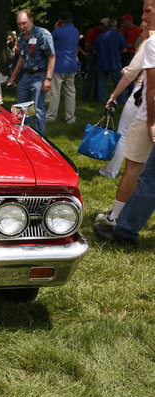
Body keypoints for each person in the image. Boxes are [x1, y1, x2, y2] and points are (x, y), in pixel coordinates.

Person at [94, 0, 155, 247]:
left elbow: (148, 85)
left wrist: (151, 122)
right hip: (144, 111)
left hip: (145, 114)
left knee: (140, 173)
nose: (143, 18)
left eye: (148, 11)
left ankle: (120, 221)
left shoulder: (151, 43)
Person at [99, 24, 153, 179]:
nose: (140, 32)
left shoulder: (148, 45)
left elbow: (129, 76)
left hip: (140, 93)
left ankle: (109, 171)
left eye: (143, 29)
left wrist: (113, 95)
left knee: (123, 134)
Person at [6, 9, 55, 135]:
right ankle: (23, 135)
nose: (21, 26)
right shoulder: (21, 37)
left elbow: (52, 57)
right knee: (22, 108)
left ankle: (39, 139)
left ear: (31, 21)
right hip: (26, 75)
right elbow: (22, 58)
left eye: (24, 23)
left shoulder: (43, 34)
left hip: (40, 76)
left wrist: (48, 79)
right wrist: (13, 77)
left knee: (37, 109)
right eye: (19, 24)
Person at [46, 11, 79, 124]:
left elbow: (49, 42)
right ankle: (70, 117)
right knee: (70, 92)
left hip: (58, 65)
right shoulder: (76, 31)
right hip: (71, 65)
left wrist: (55, 28)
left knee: (54, 92)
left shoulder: (57, 31)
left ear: (61, 20)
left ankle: (51, 116)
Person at [94, 18, 128, 105]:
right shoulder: (119, 36)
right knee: (119, 83)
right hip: (114, 62)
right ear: (115, 26)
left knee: (101, 84)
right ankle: (122, 101)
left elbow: (95, 50)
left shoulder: (100, 36)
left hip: (101, 63)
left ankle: (102, 101)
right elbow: (124, 49)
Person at [81, 20, 107, 101]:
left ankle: (96, 97)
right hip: (92, 56)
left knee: (98, 78)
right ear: (100, 25)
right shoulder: (92, 32)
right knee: (90, 77)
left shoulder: (102, 33)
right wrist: (94, 50)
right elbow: (87, 46)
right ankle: (85, 97)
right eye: (104, 27)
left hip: (99, 57)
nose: (105, 29)